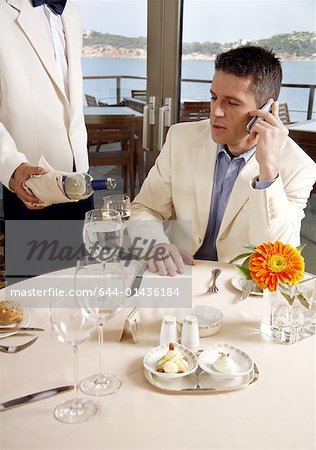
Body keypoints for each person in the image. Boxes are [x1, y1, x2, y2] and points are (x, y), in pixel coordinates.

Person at [130, 46, 316, 276]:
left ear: (264, 110)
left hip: (241, 285)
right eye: (214, 97)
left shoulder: (298, 167)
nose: (215, 111)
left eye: (232, 102)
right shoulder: (181, 138)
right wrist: (156, 245)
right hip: (179, 274)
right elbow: (145, 208)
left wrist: (269, 170)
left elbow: (281, 255)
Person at [0, 0, 92, 220]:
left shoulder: (71, 13)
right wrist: (11, 166)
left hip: (80, 178)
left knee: (83, 254)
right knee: (36, 255)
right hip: (30, 182)